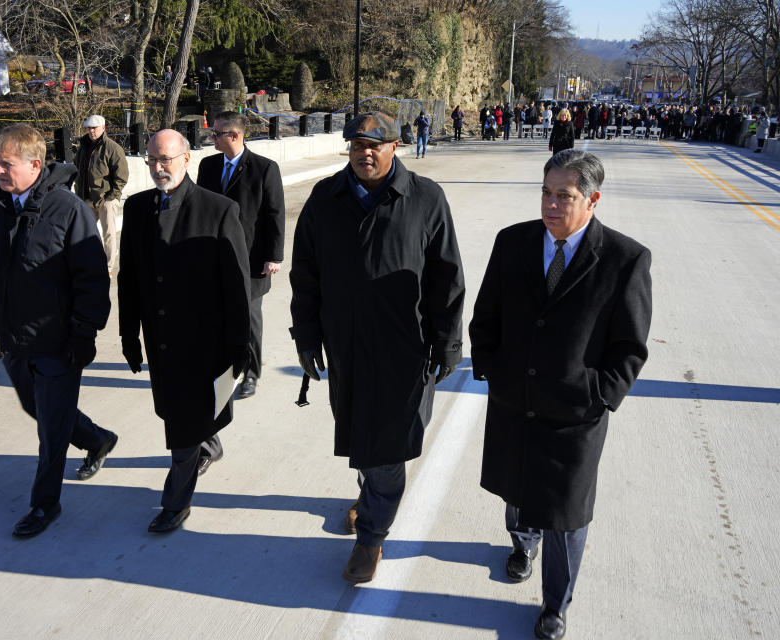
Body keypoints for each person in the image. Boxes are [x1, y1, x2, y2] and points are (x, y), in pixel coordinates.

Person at [469, 149, 652, 640]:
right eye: (546, 193)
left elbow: (630, 346)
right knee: (516, 486)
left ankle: (555, 604)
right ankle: (522, 542)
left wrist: (600, 396)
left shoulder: (624, 259)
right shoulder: (513, 243)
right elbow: (487, 311)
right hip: (514, 398)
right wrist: (490, 365)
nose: (551, 205)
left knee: (568, 515)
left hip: (576, 412)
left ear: (592, 199)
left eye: (564, 196)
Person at [290, 112, 465, 584]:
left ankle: (371, 536)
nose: (365, 153)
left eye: (376, 145)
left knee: (388, 446)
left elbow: (447, 277)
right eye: (356, 145)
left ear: (396, 148)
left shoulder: (425, 198)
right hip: (345, 347)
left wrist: (449, 343)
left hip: (406, 351)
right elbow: (305, 277)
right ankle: (370, 496)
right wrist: (306, 337)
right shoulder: (325, 199)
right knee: (360, 435)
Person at [0, 124, 118, 538]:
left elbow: (93, 280)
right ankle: (97, 439)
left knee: (50, 428)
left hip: (58, 343)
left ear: (35, 165)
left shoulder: (68, 210)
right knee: (38, 410)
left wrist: (84, 335)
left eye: (6, 164)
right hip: (13, 339)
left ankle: (44, 504)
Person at [119, 128, 250, 534]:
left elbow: (237, 286)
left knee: (182, 428)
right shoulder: (137, 208)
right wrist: (129, 335)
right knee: (178, 415)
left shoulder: (219, 210)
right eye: (153, 160)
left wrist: (240, 345)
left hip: (203, 343)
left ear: (187, 159)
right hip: (159, 340)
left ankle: (175, 503)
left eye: (167, 160)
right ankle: (208, 443)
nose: (159, 168)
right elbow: (129, 278)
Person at [197, 111, 285, 408]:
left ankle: (250, 373)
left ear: (234, 136)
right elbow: (199, 209)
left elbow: (275, 214)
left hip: (251, 259)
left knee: (249, 320)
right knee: (217, 317)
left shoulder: (264, 169)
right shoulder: (208, 166)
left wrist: (274, 256)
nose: (212, 139)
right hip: (214, 258)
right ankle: (223, 367)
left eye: (217, 134)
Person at [74, 114, 129, 276]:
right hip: (85, 198)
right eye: (88, 128)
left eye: (94, 128)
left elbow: (122, 175)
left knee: (109, 234)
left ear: (103, 128)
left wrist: (112, 196)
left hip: (105, 199)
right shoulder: (83, 147)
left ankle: (108, 267)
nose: (91, 131)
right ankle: (90, 262)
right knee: (86, 233)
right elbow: (77, 169)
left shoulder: (112, 148)